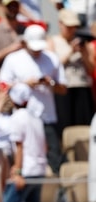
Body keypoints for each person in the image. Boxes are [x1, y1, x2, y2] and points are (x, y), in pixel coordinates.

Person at [0, 24, 67, 175]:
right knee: (22, 159)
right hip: (21, 118)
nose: (36, 51)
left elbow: (63, 88)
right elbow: (1, 86)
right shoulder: (13, 59)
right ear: (24, 43)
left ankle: (56, 193)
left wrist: (50, 83)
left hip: (47, 118)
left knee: (54, 158)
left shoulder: (52, 59)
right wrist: (25, 83)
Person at [47, 9, 95, 137]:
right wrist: (70, 51)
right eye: (69, 27)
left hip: (82, 87)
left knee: (84, 126)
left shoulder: (83, 43)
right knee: (65, 126)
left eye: (74, 27)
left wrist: (84, 52)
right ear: (60, 24)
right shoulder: (53, 41)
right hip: (64, 89)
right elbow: (52, 67)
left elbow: (91, 68)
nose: (72, 30)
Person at [3, 83, 47, 202]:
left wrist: (17, 172)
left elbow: (19, 147)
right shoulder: (37, 117)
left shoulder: (17, 117)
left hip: (25, 172)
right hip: (39, 170)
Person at [0, 0, 26, 80]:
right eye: (9, 6)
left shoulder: (25, 30)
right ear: (2, 7)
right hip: (2, 77)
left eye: (15, 6)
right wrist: (10, 49)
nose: (12, 9)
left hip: (24, 76)